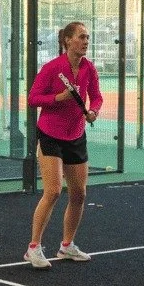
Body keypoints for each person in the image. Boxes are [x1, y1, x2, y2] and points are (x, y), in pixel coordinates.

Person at [25, 21, 103, 268]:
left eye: (87, 37)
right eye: (81, 37)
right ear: (67, 40)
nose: (86, 41)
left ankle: (67, 246)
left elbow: (97, 96)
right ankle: (34, 248)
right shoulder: (52, 68)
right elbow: (33, 99)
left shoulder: (89, 68)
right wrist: (60, 97)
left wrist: (93, 111)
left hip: (76, 135)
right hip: (50, 134)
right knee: (54, 191)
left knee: (79, 194)